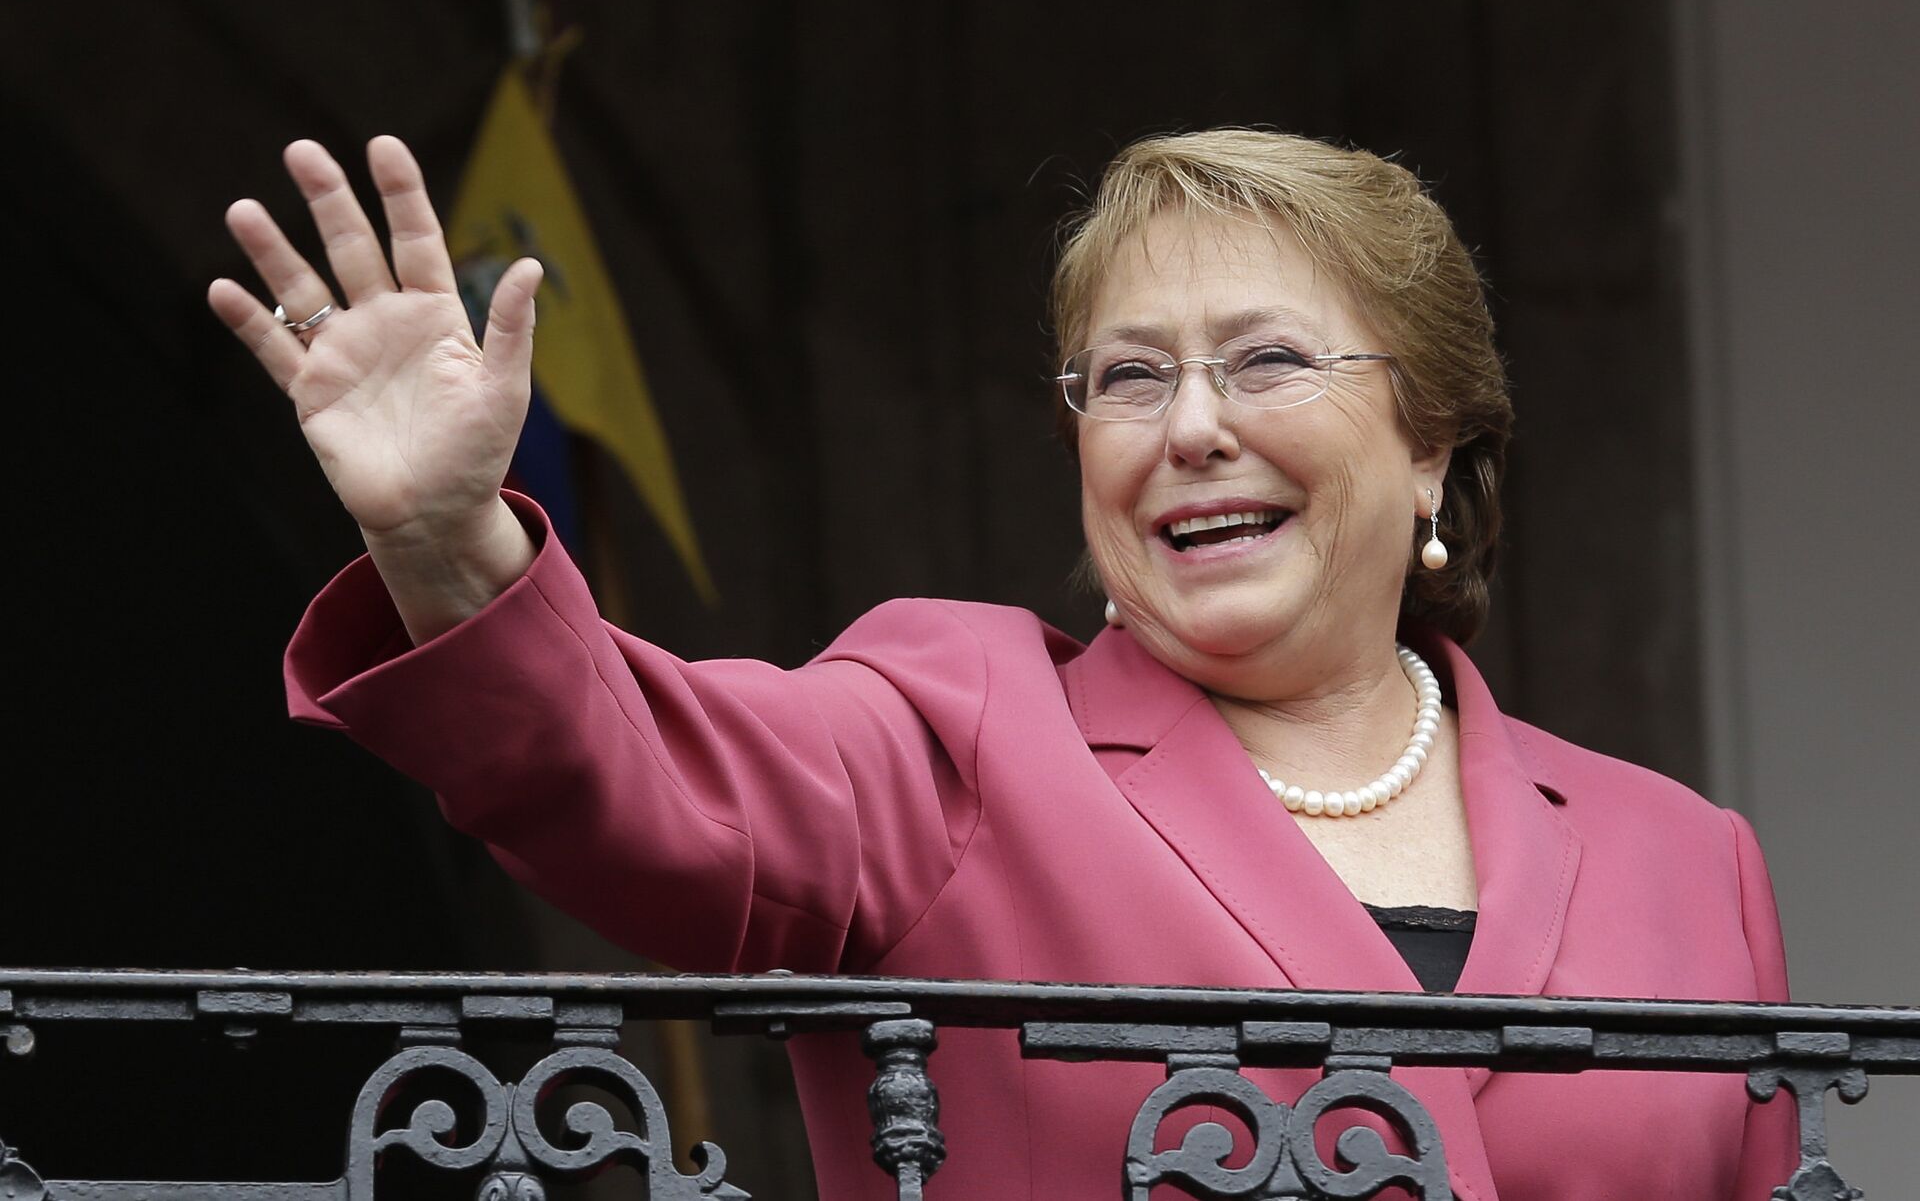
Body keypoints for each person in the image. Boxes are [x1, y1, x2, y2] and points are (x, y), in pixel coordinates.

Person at [209, 130, 1795, 1201]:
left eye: (1265, 361)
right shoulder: (954, 730)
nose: (1188, 428)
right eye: (1127, 377)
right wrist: (444, 543)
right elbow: (632, 771)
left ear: (1436, 445)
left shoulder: (1686, 862)